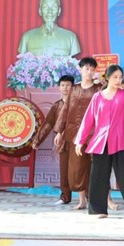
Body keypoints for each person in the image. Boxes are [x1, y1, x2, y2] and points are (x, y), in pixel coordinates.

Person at [74, 65, 124, 219]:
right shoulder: (97, 97)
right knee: (98, 177)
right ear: (107, 78)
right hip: (100, 143)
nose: (119, 80)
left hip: (120, 142)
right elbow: (88, 120)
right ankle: (99, 210)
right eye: (115, 77)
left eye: (120, 77)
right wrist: (80, 140)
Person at [51, 57, 102, 210]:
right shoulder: (73, 89)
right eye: (87, 69)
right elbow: (65, 110)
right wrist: (59, 131)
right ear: (80, 69)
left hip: (94, 133)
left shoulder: (98, 89)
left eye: (92, 69)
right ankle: (82, 200)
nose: (89, 72)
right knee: (77, 167)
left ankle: (97, 199)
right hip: (74, 133)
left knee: (95, 166)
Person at [31, 74, 74, 205]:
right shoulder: (56, 106)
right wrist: (37, 140)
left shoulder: (78, 104)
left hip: (77, 140)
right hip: (62, 141)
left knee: (82, 169)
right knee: (64, 169)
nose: (65, 88)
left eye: (68, 85)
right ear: (59, 87)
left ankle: (88, 197)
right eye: (63, 85)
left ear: (73, 87)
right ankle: (65, 196)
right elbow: (48, 124)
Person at [16, 0, 81, 57]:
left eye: (54, 7)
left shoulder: (71, 37)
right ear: (40, 11)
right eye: (45, 7)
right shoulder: (27, 37)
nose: (50, 11)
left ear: (59, 11)